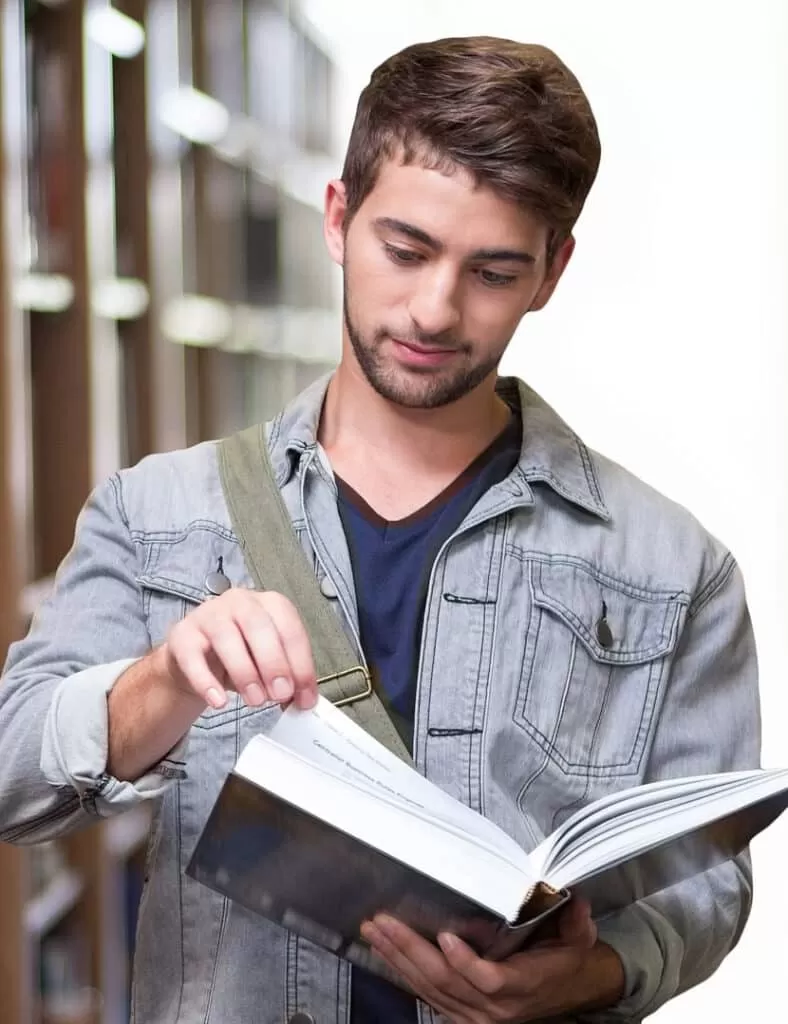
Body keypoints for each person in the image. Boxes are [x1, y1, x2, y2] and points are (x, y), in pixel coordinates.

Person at [0, 35, 760, 1024]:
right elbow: (14, 776)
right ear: (337, 216)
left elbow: (708, 886)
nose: (434, 309)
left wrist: (592, 972)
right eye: (404, 249)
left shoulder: (675, 568)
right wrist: (165, 679)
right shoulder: (157, 514)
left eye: (490, 271)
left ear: (550, 271)